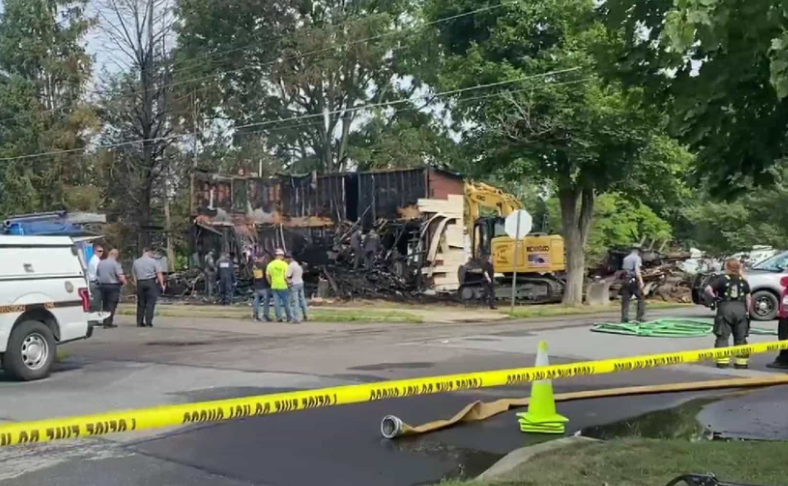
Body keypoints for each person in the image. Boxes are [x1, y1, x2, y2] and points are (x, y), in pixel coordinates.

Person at [705, 259, 752, 369]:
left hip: (725, 308)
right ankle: (741, 363)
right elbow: (748, 298)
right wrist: (747, 312)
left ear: (727, 267)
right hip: (741, 309)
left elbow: (708, 289)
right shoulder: (743, 281)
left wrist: (714, 298)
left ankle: (723, 362)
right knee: (741, 337)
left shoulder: (721, 279)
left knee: (722, 336)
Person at [132, 247, 166, 328]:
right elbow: (159, 273)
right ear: (149, 252)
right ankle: (148, 322)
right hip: (150, 282)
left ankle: (139, 322)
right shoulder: (153, 261)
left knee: (141, 303)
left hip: (140, 282)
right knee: (150, 303)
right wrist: (162, 284)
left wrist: (136, 284)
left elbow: (134, 274)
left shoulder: (136, 262)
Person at [96, 248, 126, 328]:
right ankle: (108, 322)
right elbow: (120, 275)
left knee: (105, 304)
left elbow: (97, 274)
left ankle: (105, 320)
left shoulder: (100, 263)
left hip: (102, 285)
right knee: (112, 304)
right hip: (113, 285)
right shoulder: (116, 264)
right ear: (116, 255)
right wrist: (124, 282)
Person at [620, 244, 646, 323]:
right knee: (641, 298)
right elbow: (637, 270)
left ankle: (624, 317)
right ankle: (640, 317)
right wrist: (641, 281)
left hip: (625, 280)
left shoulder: (626, 258)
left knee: (626, 299)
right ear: (638, 251)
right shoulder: (637, 258)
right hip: (633, 280)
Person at [266, 249, 293, 322]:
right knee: (286, 303)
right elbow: (286, 276)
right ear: (281, 256)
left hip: (274, 286)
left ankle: (279, 318)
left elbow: (267, 276)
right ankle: (289, 317)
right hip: (283, 286)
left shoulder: (270, 264)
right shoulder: (284, 264)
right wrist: (289, 284)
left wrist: (271, 283)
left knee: (277, 303)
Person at [287, 254, 308, 322]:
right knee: (302, 299)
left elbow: (288, 275)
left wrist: (288, 282)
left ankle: (296, 318)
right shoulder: (298, 266)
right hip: (300, 282)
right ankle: (306, 315)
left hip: (294, 284)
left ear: (290, 259)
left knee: (294, 301)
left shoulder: (291, 266)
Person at [253, 255, 272, 322]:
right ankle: (265, 316)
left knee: (256, 302)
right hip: (265, 287)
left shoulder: (255, 266)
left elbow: (256, 277)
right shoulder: (265, 266)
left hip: (257, 287)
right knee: (266, 303)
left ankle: (255, 316)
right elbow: (268, 276)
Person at [87, 244, 104, 312]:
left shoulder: (94, 259)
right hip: (95, 282)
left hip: (93, 282)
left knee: (95, 301)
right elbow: (98, 272)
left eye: (102, 251)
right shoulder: (95, 260)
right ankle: (94, 318)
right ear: (95, 251)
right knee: (96, 302)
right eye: (99, 251)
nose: (101, 253)